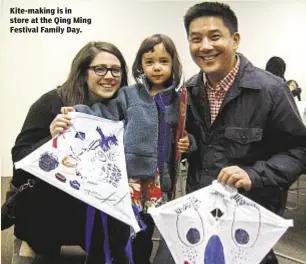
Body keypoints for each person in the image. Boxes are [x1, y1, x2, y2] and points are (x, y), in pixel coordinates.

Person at [154, 2, 306, 264]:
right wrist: (188, 144)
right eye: (195, 39)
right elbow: (195, 145)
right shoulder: (190, 91)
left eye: (214, 36)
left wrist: (253, 173)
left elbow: (299, 150)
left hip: (248, 219)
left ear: (234, 40)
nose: (205, 46)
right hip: (199, 210)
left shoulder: (271, 90)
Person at [62, 33, 192, 264]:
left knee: (145, 231)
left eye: (164, 61)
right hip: (128, 177)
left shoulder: (178, 101)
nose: (157, 68)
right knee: (122, 230)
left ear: (174, 65)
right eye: (149, 62)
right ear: (140, 65)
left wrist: (188, 141)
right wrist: (78, 113)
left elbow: (186, 132)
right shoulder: (129, 95)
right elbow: (105, 114)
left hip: (159, 180)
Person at [10, 41, 129, 264]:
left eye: (116, 70)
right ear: (83, 73)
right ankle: (32, 247)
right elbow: (19, 161)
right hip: (50, 203)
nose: (109, 76)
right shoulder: (52, 102)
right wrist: (50, 138)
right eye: (100, 69)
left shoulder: (124, 107)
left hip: (97, 204)